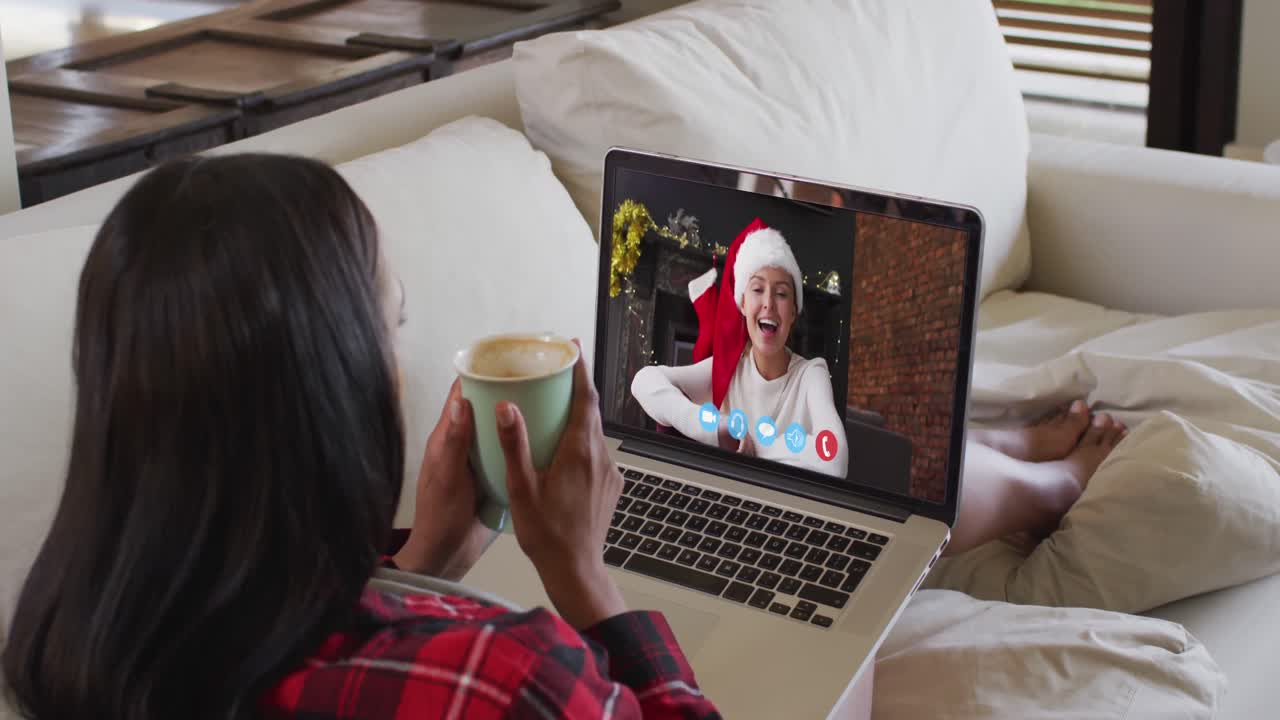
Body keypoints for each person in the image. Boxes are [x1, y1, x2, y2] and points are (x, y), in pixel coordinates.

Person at [1, 155, 722, 720]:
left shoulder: (65, 648)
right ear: (337, 383)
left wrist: (419, 563)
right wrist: (586, 579)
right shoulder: (509, 681)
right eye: (390, 326)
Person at [632, 225, 849, 477]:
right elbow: (643, 382)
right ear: (743, 304)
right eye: (757, 290)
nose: (768, 302)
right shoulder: (730, 367)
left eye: (781, 294)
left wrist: (753, 448)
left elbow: (834, 459)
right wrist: (714, 429)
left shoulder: (812, 374)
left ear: (793, 313)